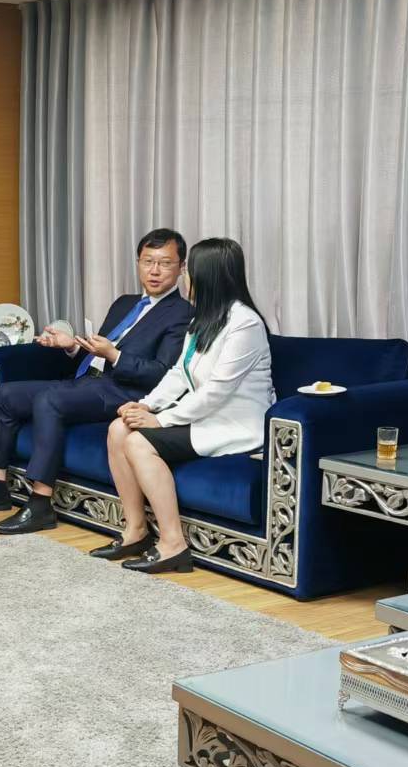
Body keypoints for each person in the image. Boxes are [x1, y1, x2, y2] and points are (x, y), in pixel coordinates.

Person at [0, 228, 191, 535]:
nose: (155, 271)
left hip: (125, 392)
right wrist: (71, 347)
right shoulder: (124, 303)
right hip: (90, 383)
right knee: (4, 395)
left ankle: (40, 503)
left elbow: (162, 372)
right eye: (148, 262)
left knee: (49, 399)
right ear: (138, 263)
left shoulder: (182, 314)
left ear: (181, 267)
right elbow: (97, 355)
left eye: (165, 263)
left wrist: (115, 355)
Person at [93, 238, 274, 574]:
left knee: (138, 442)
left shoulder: (245, 324)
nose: (185, 276)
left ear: (209, 276)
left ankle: (173, 544)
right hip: (205, 416)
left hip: (234, 424)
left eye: (189, 270)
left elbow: (217, 392)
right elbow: (179, 372)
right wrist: (145, 406)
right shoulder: (205, 318)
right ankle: (135, 530)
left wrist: (161, 421)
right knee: (119, 428)